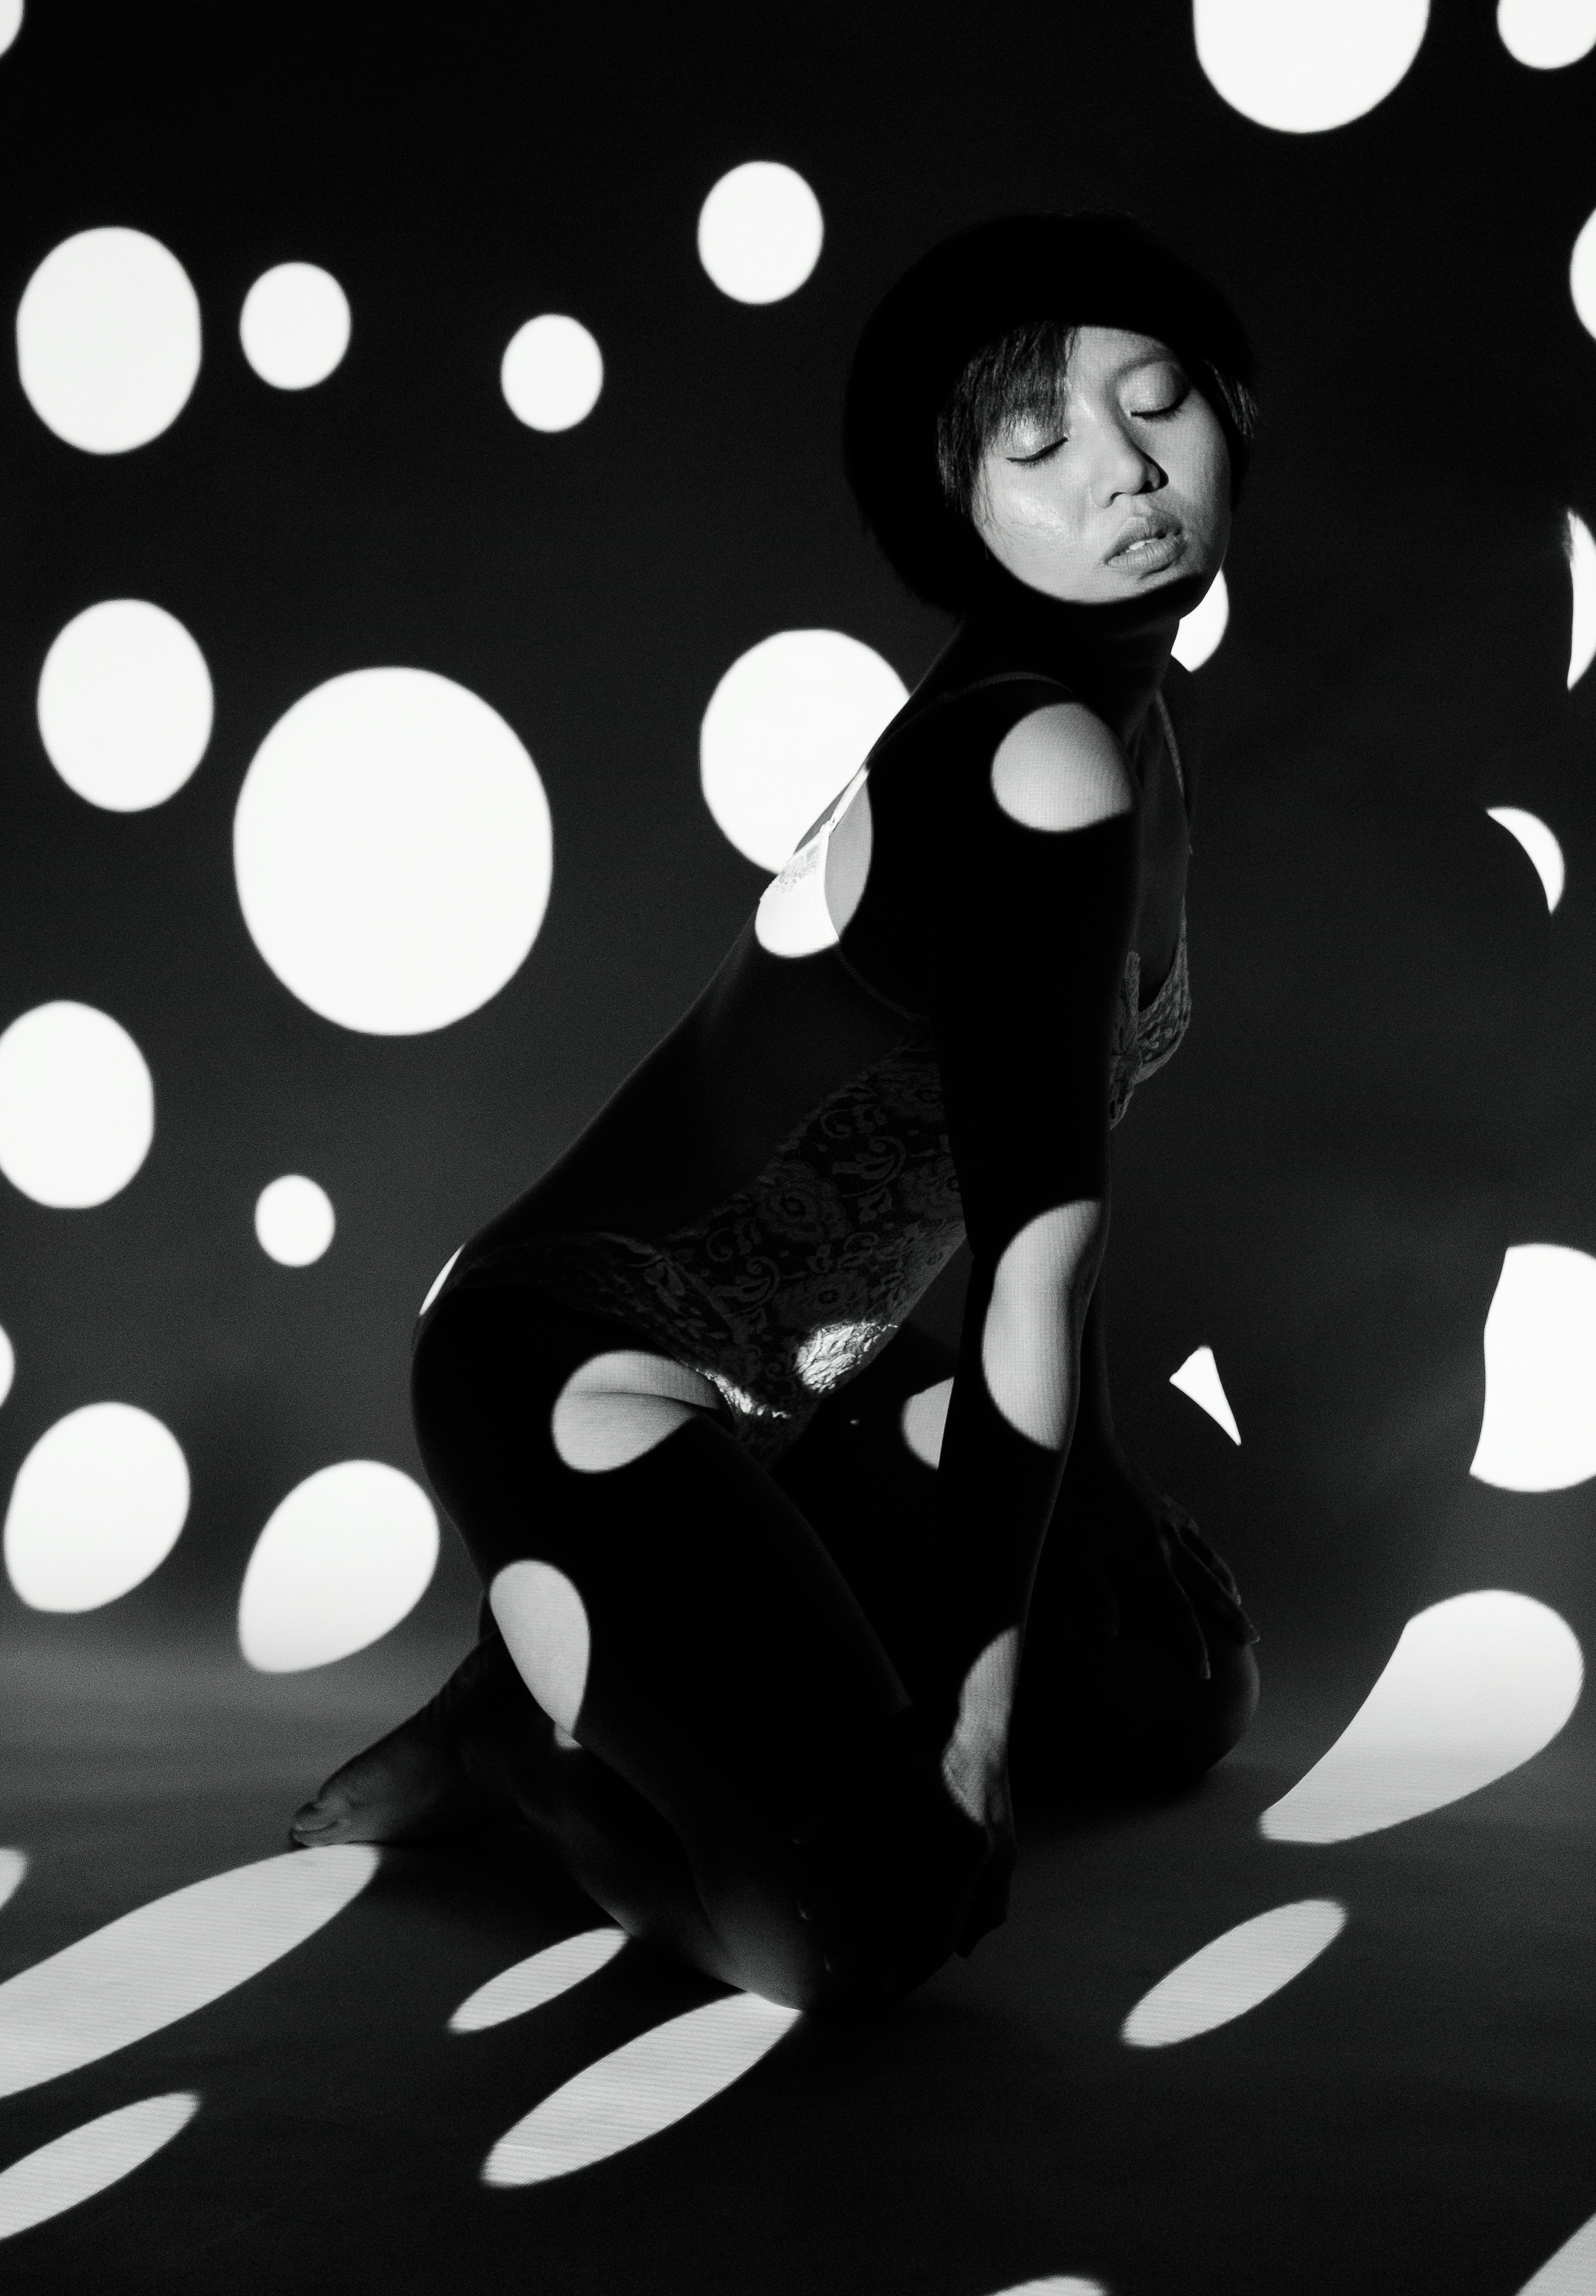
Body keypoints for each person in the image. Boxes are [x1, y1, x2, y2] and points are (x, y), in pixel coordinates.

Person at [291, 213, 1262, 2013]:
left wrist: (1094, 1497)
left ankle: (573, 1656)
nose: (1126, 472)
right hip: (587, 1362)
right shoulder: (1035, 756)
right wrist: (971, 1722)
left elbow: (1042, 1194)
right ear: (953, 502)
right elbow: (1036, 1272)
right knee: (858, 1932)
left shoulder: (1139, 726)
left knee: (1173, 1691)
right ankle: (531, 1755)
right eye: (1042, 446)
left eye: (1161, 407)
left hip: (813, 1389)